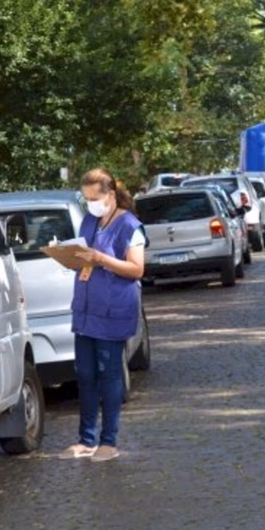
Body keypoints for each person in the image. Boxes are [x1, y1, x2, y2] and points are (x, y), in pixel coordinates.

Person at [59, 168, 146, 462]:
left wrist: (102, 260)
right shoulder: (89, 221)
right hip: (85, 311)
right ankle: (85, 440)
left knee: (108, 376)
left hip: (113, 311)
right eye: (86, 199)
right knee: (84, 375)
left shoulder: (130, 225)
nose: (90, 204)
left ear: (110, 194)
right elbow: (86, 258)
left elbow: (136, 269)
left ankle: (109, 441)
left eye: (94, 198)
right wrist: (71, 259)